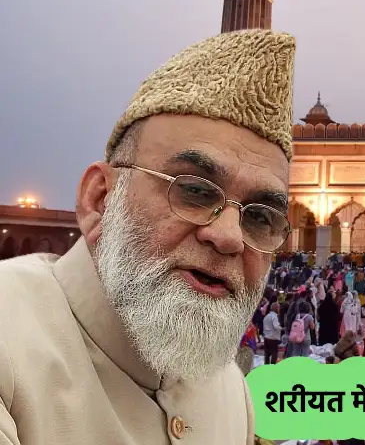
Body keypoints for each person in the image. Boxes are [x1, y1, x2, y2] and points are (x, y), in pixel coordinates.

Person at [0, 30, 296, 443]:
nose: (229, 237)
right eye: (194, 190)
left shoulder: (230, 394)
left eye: (261, 218)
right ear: (100, 198)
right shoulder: (10, 344)